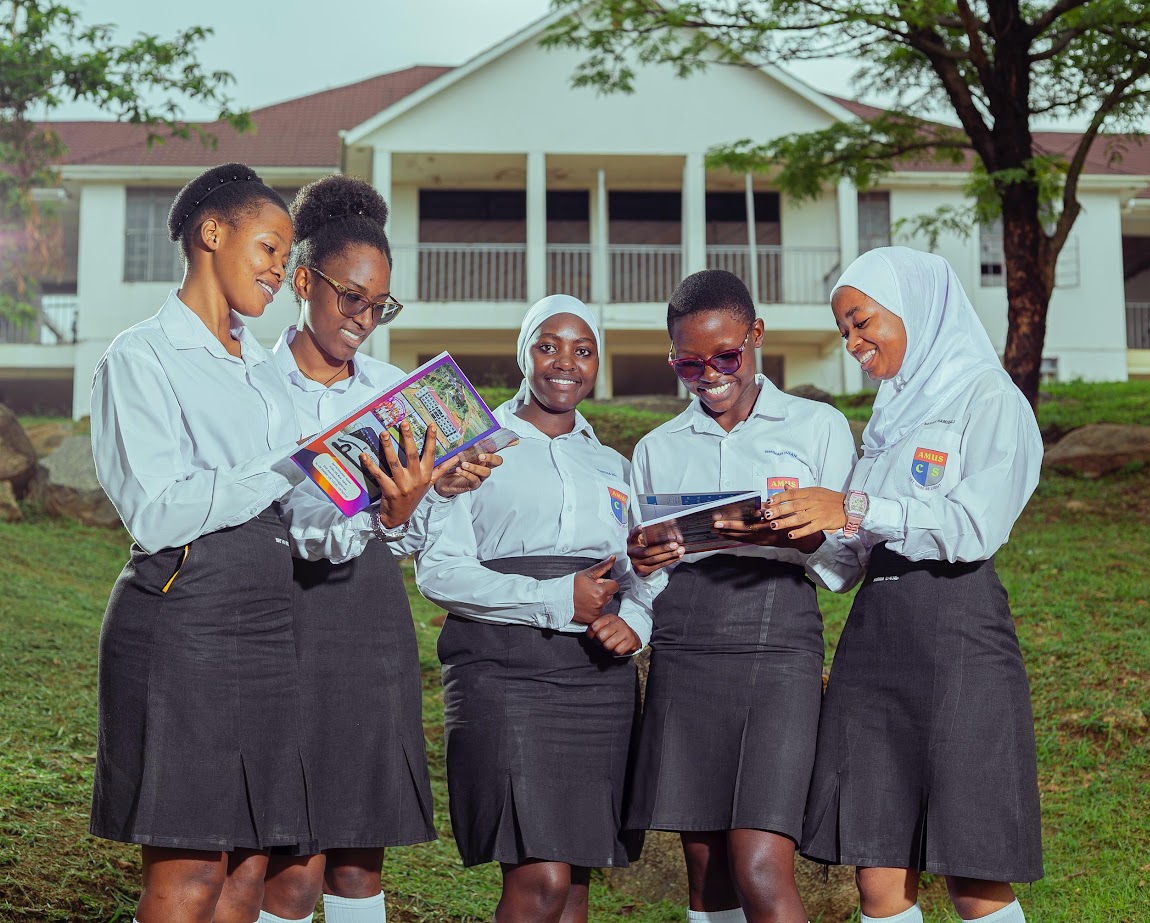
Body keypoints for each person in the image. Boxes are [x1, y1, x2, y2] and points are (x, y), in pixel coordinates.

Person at [89, 163, 454, 923]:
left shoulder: (259, 368)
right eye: (268, 248)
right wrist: (292, 459)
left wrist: (395, 499)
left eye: (285, 255)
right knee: (189, 873)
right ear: (210, 234)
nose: (276, 268)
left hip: (270, 631)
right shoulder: (141, 355)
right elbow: (157, 512)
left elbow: (313, 520)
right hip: (184, 617)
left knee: (249, 874)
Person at [768, 246, 1043, 923]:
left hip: (957, 638)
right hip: (874, 645)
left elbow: (974, 527)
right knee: (878, 874)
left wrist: (850, 507)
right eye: (844, 332)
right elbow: (845, 563)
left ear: (916, 307)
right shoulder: (887, 423)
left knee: (974, 874)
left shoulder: (988, 398)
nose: (854, 343)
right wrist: (802, 534)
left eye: (862, 322)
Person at [256, 175, 502, 923]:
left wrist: (436, 491)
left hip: (370, 625)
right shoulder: (254, 383)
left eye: (379, 304)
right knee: (293, 863)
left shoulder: (397, 390)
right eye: (349, 298)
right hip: (280, 619)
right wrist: (382, 509)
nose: (364, 318)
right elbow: (293, 523)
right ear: (303, 281)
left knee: (361, 859)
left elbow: (417, 542)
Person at [625, 269, 858, 923]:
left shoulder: (817, 426)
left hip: (777, 638)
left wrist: (812, 533)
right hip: (684, 642)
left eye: (726, 355)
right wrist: (642, 560)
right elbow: (643, 578)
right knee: (705, 870)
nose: (709, 374)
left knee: (759, 858)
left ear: (755, 335)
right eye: (689, 362)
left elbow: (846, 568)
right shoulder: (656, 448)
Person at [415, 294, 653, 923]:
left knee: (574, 883)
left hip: (596, 679)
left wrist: (637, 620)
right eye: (548, 345)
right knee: (542, 879)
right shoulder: (470, 446)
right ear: (523, 353)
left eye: (583, 349)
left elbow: (638, 576)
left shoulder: (613, 466)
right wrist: (554, 598)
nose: (564, 363)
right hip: (500, 668)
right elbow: (439, 572)